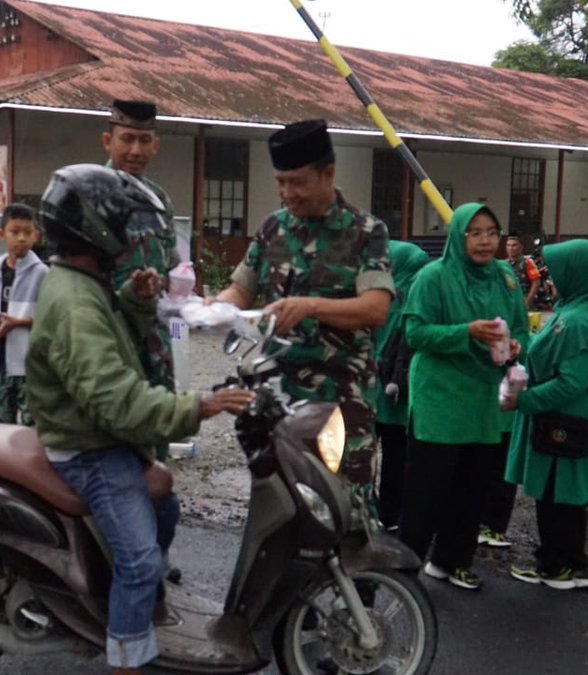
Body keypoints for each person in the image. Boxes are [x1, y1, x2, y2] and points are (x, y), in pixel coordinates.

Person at [26, 164, 253, 675]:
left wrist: (134, 300)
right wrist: (198, 406)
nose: (131, 238)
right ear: (94, 230)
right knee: (142, 560)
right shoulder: (75, 302)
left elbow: (110, 348)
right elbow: (112, 397)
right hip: (89, 449)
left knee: (165, 508)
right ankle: (127, 659)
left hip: (101, 435)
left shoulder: (86, 281)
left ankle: (130, 600)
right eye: (123, 226)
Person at [212, 119, 394, 491]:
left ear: (328, 173)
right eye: (280, 182)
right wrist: (211, 307)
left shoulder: (365, 232)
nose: (287, 193)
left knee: (345, 508)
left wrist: (311, 306)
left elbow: (375, 309)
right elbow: (239, 292)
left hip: (342, 402)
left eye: (297, 182)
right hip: (279, 397)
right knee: (282, 504)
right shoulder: (272, 229)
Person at [401, 203, 528, 591]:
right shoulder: (433, 277)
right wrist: (465, 333)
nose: (486, 241)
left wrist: (520, 346)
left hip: (482, 400)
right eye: (475, 233)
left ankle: (452, 561)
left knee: (473, 489)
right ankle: (404, 569)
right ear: (458, 236)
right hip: (440, 400)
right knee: (427, 491)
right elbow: (415, 334)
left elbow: (522, 327)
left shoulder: (505, 278)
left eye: (492, 232)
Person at [505, 239, 588, 591]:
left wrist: (524, 401)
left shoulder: (577, 322)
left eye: (556, 272)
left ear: (580, 274)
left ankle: (554, 566)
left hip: (560, 420)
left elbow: (571, 382)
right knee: (567, 493)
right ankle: (572, 565)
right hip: (571, 420)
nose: (550, 279)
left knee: (555, 494)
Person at [104, 99, 181, 462]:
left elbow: (172, 265)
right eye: (127, 139)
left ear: (156, 144)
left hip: (156, 343)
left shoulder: (159, 198)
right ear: (108, 141)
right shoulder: (90, 194)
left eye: (144, 140)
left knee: (155, 441)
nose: (135, 150)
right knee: (111, 440)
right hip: (109, 340)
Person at [0, 203, 47, 425]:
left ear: (36, 235)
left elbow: (53, 319)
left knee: (30, 426)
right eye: (15, 232)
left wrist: (19, 323)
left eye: (27, 232)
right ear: (2, 234)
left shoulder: (43, 274)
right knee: (1, 424)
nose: (21, 238)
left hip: (29, 365)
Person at [375, 241, 429, 529]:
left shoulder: (374, 297)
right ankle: (390, 513)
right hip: (400, 395)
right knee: (397, 458)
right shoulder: (415, 301)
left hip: (371, 389)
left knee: (360, 457)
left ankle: (365, 510)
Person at [505, 235, 542, 309]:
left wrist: (527, 302)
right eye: (508, 245)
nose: (511, 248)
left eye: (514, 245)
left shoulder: (527, 262)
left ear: (520, 247)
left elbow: (536, 283)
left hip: (523, 299)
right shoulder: (504, 264)